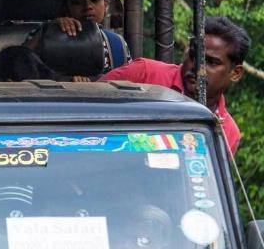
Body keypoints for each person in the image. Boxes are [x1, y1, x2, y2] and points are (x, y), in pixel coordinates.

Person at [100, 16, 250, 154]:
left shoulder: (228, 132)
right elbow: (86, 104)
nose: (197, 67)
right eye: (193, 55)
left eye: (211, 62)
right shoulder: (145, 73)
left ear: (236, 73)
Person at [48, 0, 130, 72]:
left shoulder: (117, 44)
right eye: (78, 2)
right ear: (66, 7)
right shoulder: (49, 37)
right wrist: (53, 29)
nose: (88, 6)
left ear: (106, 4)